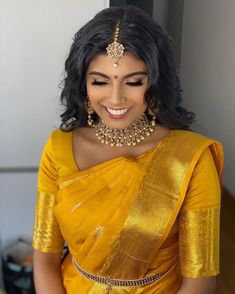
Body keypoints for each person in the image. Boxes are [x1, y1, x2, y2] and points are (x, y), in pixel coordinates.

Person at [32, 6, 223, 294]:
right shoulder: (58, 149)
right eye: (100, 81)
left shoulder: (191, 158)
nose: (116, 98)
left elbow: (201, 278)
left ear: (154, 83)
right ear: (83, 85)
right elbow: (45, 257)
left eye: (134, 82)